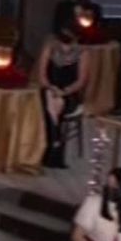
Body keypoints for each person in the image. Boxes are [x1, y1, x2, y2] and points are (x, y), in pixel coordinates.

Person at [36, 24, 92, 169]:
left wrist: (65, 92)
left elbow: (81, 81)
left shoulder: (83, 52)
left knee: (56, 104)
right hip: (50, 89)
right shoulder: (50, 48)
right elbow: (42, 76)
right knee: (50, 101)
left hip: (70, 93)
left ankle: (53, 143)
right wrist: (51, 88)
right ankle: (55, 142)